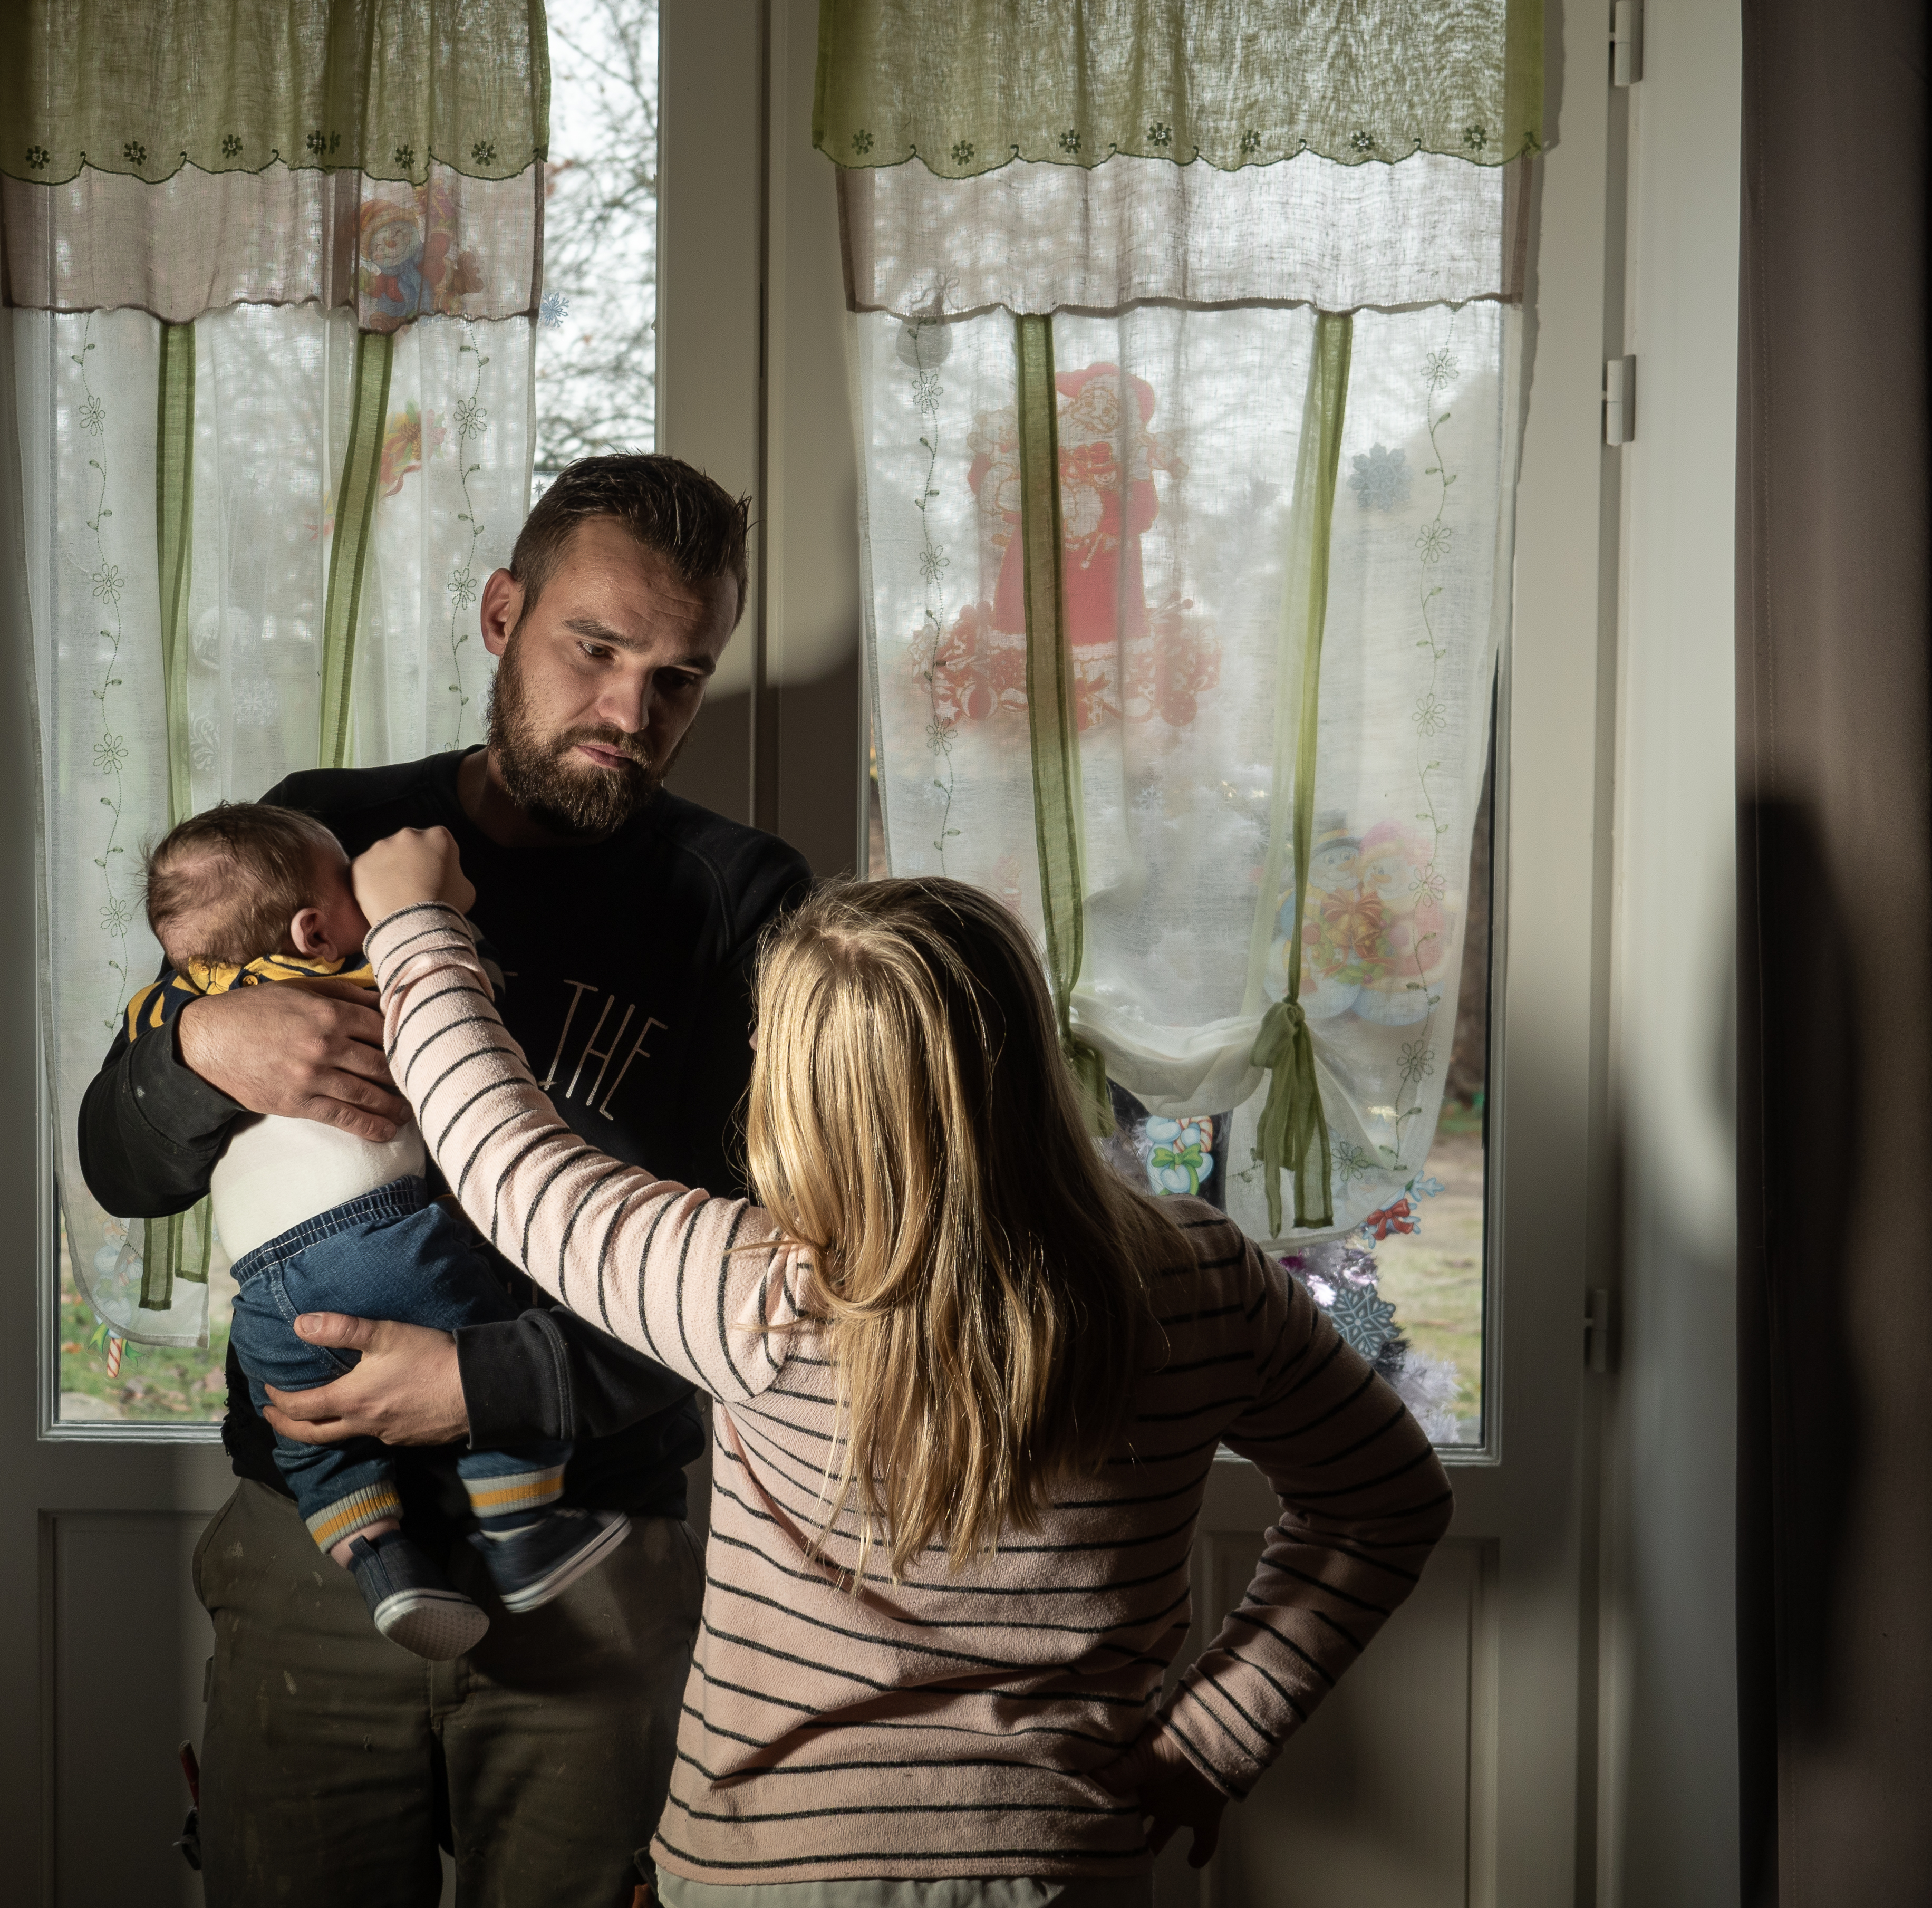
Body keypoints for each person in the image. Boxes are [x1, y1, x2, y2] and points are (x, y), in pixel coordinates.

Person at [344, 833, 1456, 1904]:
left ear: (798, 1082)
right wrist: (1215, 1738)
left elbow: (507, 1162)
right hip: (1058, 1861)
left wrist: (415, 923)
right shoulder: (1202, 1277)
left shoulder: (756, 1293)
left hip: (772, 1872)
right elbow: (1389, 1499)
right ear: (1026, 1047)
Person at [76, 455, 814, 1905]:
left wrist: (489, 1385)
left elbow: (777, 1274)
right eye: (595, 650)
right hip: (311, 1541)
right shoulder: (317, 831)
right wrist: (204, 1043)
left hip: (594, 1550)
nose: (629, 713)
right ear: (501, 614)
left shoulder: (743, 896)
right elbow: (120, 1166)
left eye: (679, 677)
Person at [135, 801, 630, 1661]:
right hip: (379, 1241)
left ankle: (380, 1561)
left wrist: (188, 1031)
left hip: (264, 1300)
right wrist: (430, 914)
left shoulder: (174, 1006)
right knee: (488, 1336)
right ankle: (519, 1526)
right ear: (316, 930)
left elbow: (146, 1054)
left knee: (311, 1439)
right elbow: (455, 996)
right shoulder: (362, 980)